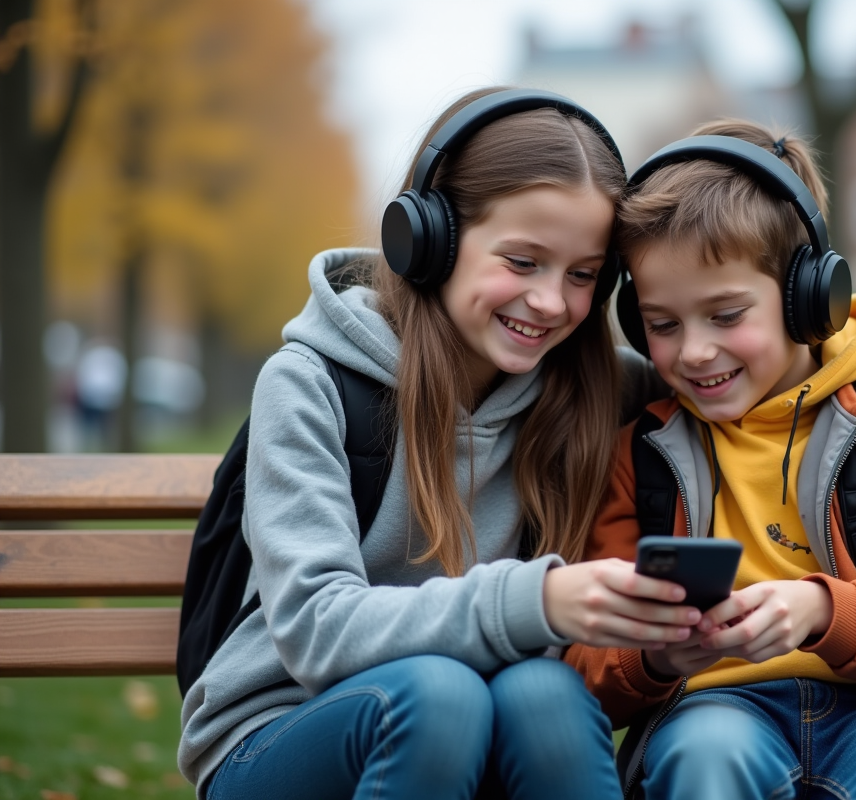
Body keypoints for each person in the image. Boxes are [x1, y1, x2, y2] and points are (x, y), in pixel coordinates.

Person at [179, 88, 697, 800]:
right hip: (282, 737)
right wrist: (536, 602)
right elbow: (316, 631)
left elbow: (750, 373)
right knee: (438, 694)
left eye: (582, 275)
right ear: (429, 238)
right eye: (522, 261)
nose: (551, 302)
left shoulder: (600, 391)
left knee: (545, 693)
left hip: (480, 729)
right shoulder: (310, 383)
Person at [565, 120, 856, 800]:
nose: (693, 352)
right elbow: (588, 664)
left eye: (725, 316)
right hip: (712, 710)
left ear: (808, 299)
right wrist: (655, 656)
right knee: (705, 755)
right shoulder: (641, 454)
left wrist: (822, 610)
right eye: (664, 325)